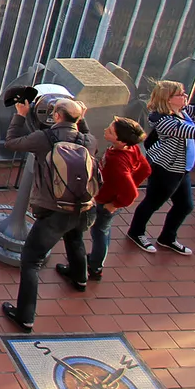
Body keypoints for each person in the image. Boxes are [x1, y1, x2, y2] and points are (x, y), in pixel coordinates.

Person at [0, 96, 99, 332]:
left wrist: (21, 115)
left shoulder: (44, 139)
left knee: (31, 260)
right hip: (84, 207)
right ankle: (79, 278)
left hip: (54, 211)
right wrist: (80, 119)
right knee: (75, 238)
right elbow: (83, 135)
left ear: (56, 116)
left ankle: (25, 316)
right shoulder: (89, 140)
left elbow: (11, 143)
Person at [127, 80, 195, 256]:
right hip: (166, 169)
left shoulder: (182, 110)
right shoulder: (165, 121)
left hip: (182, 168)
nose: (185, 96)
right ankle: (136, 232)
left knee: (185, 206)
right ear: (168, 99)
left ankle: (167, 237)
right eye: (180, 94)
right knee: (153, 202)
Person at [79, 117, 149, 281]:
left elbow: (131, 193)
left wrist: (115, 203)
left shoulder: (117, 161)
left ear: (120, 140)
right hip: (107, 198)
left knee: (99, 233)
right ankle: (97, 260)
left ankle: (95, 266)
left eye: (110, 131)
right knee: (103, 231)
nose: (105, 130)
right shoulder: (132, 149)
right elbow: (145, 169)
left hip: (104, 201)